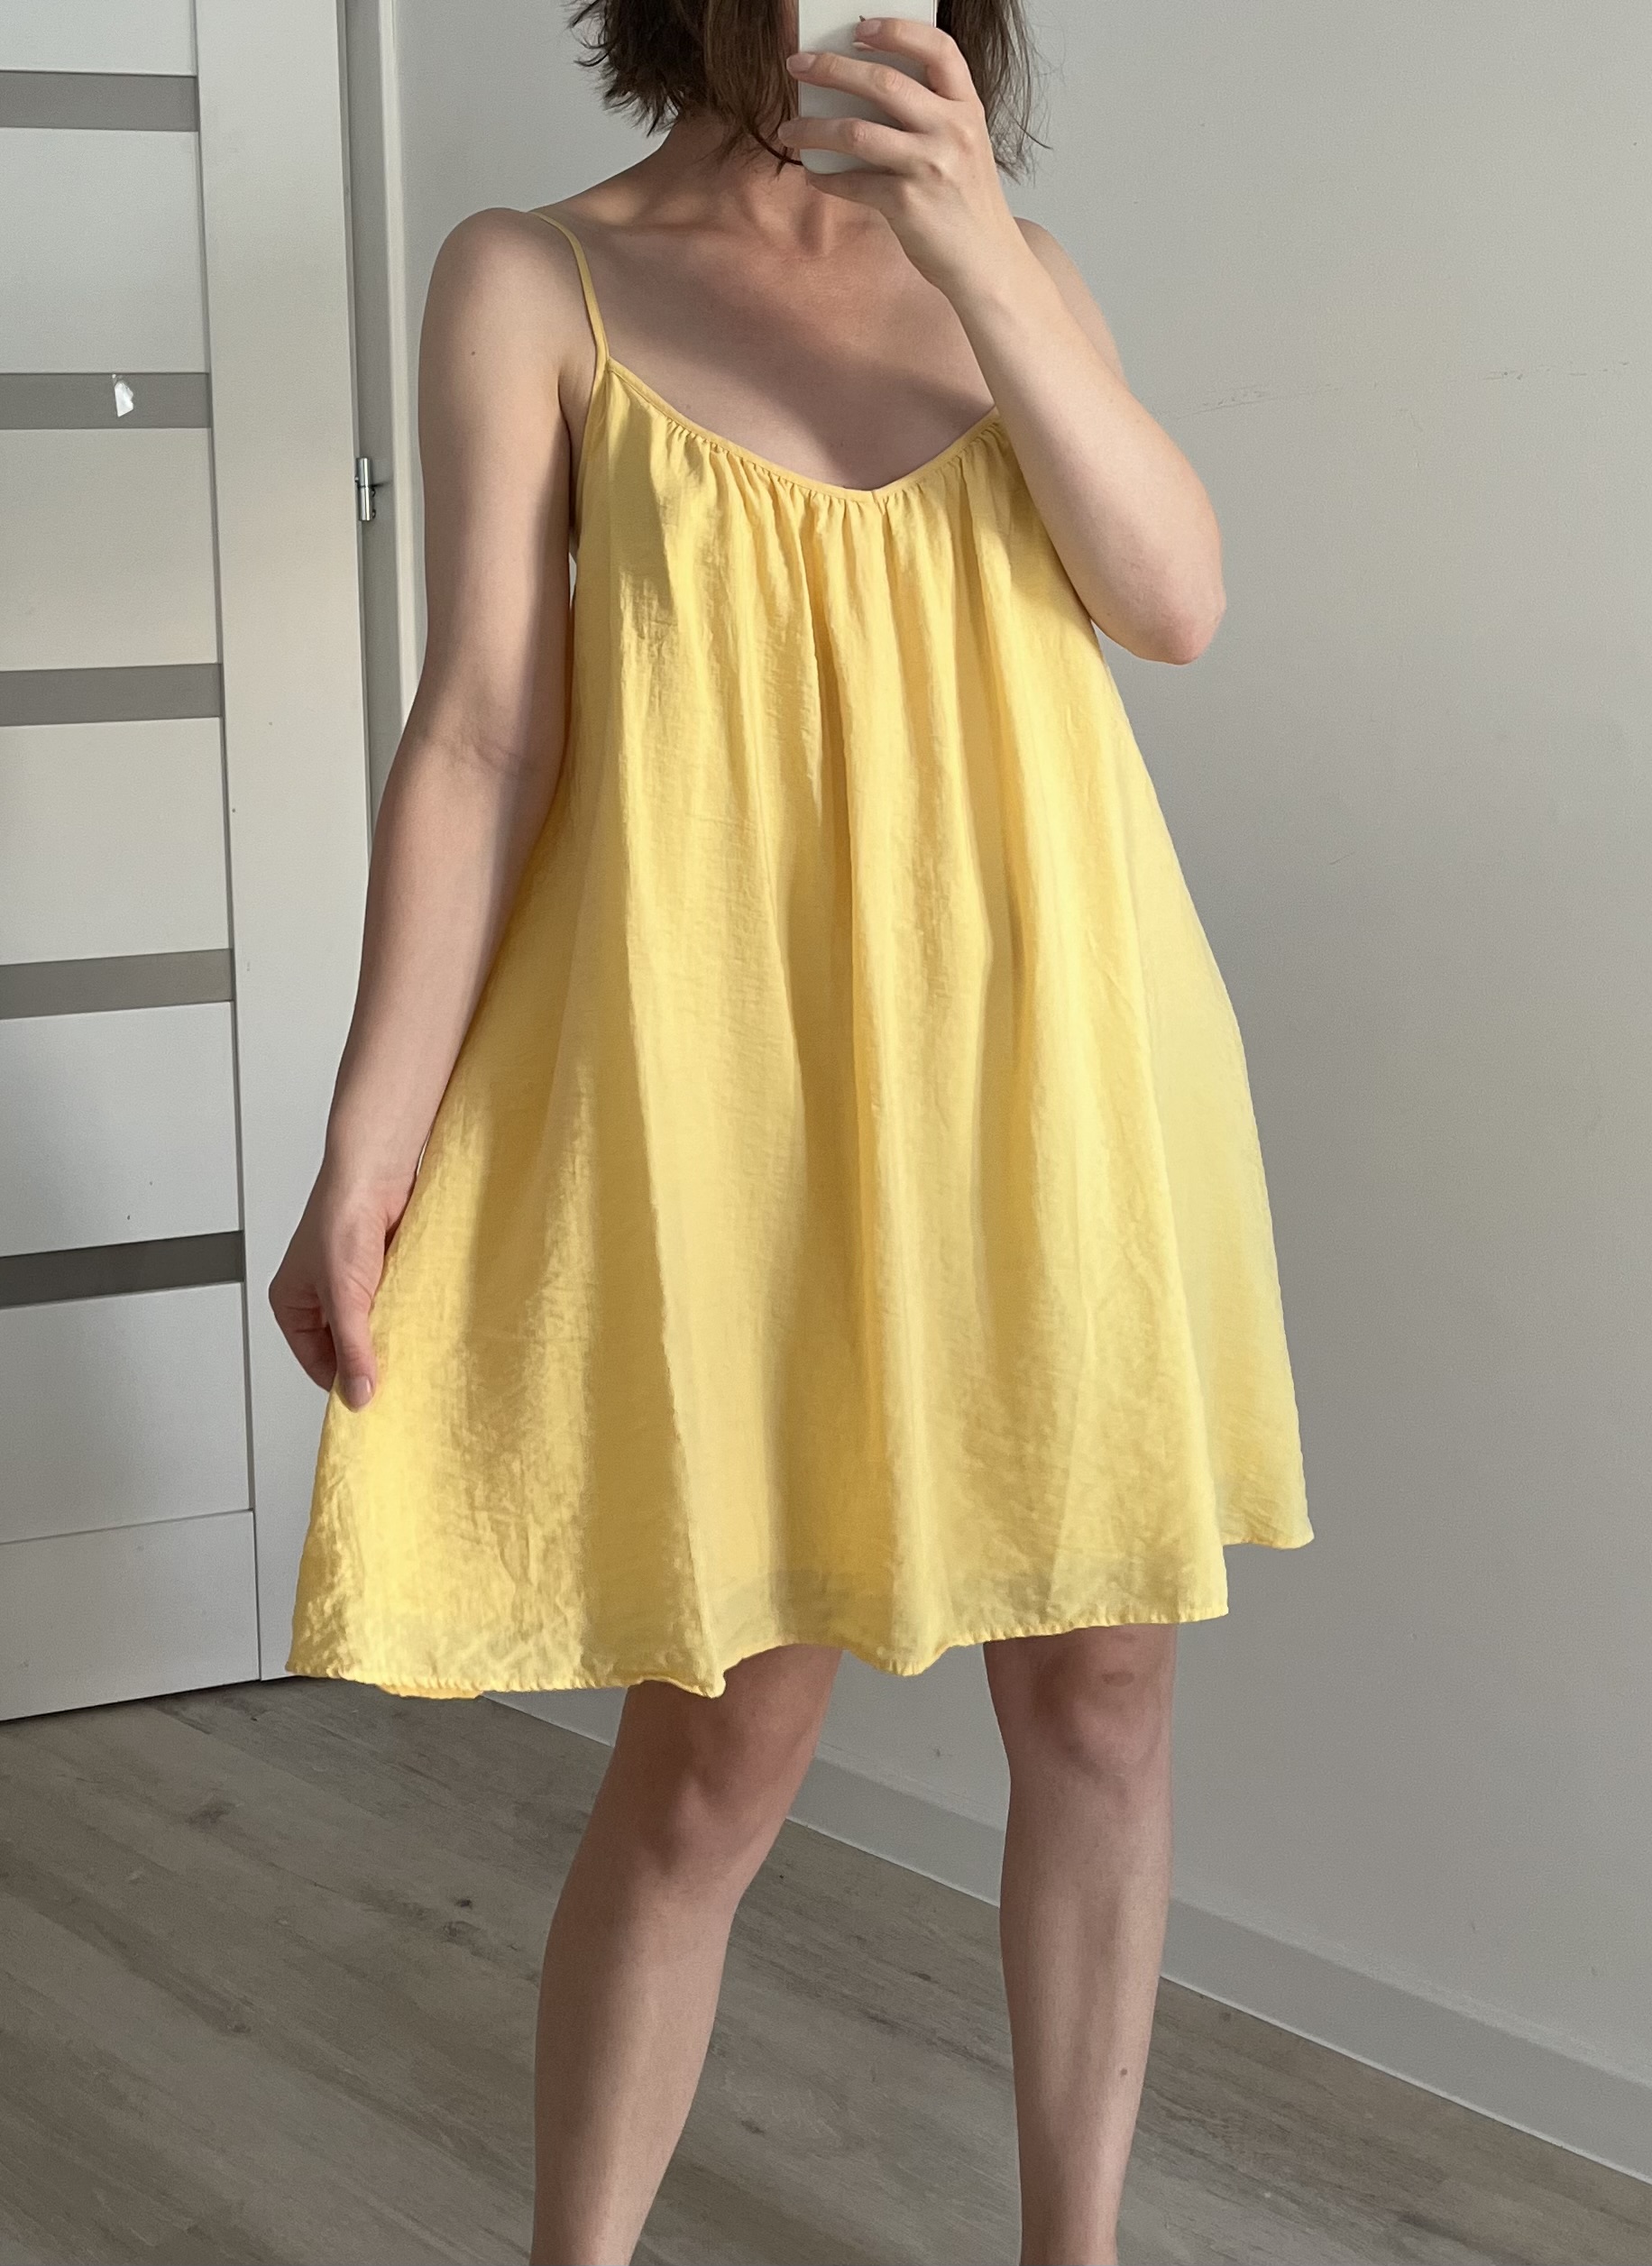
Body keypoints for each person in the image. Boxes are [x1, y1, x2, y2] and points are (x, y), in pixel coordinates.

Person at [271, 5, 1313, 2260]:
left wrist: (977, 251)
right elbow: (480, 736)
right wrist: (368, 1141)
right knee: (719, 1743)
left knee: (1105, 1699)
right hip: (732, 1095)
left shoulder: (1013, 263)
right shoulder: (533, 276)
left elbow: (1173, 602)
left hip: (1056, 1066)